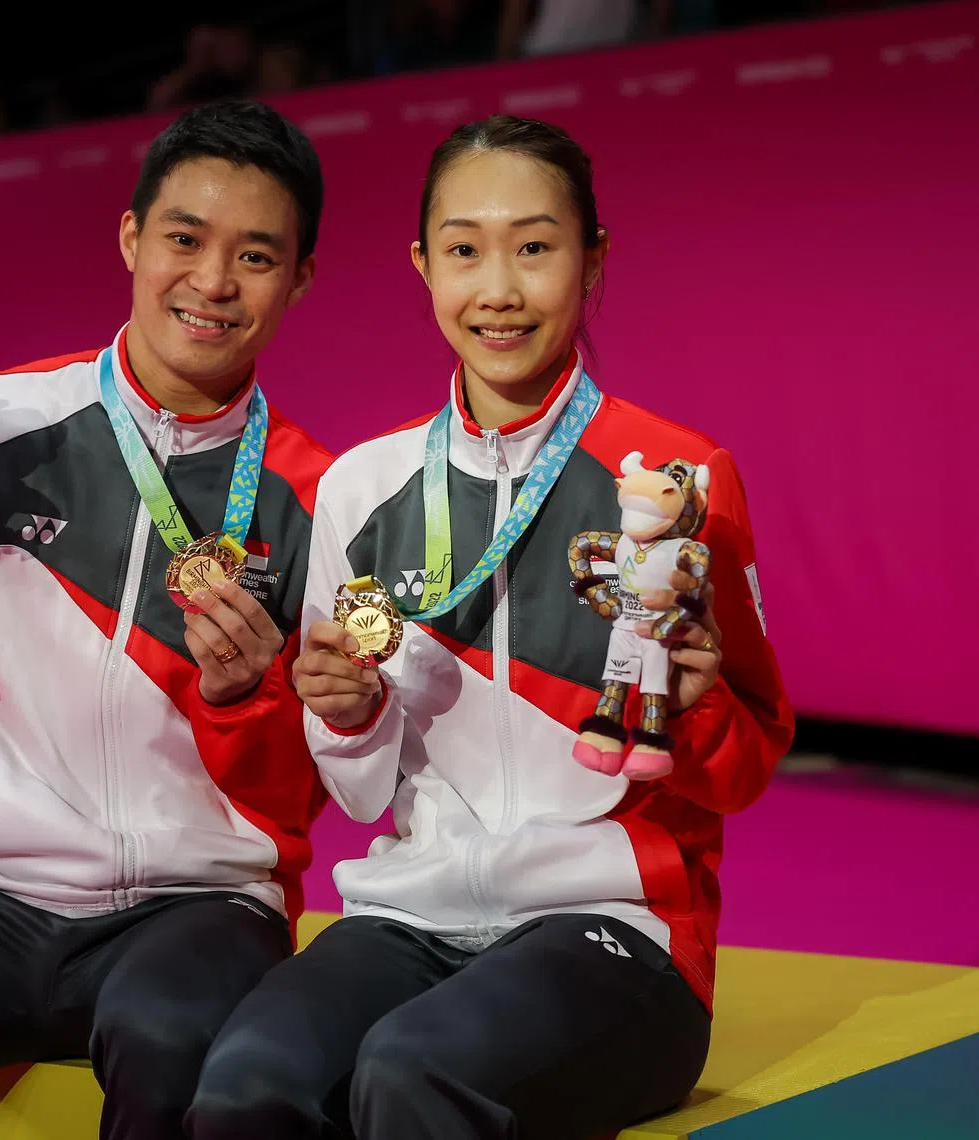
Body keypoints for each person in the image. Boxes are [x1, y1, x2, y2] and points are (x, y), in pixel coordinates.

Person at [187, 114, 795, 1140]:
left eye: (535, 247)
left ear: (591, 261)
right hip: (410, 913)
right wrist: (346, 713)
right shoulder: (363, 490)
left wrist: (693, 712)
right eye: (465, 250)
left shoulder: (678, 481)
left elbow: (744, 769)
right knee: (244, 1085)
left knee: (412, 1074)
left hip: (617, 932)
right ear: (424, 266)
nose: (499, 289)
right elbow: (359, 788)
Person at [0, 99, 333, 1140]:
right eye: (185, 240)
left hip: (199, 909)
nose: (210, 282)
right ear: (131, 239)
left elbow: (339, 780)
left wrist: (252, 695)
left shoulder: (326, 503)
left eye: (254, 256)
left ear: (299, 280)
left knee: (175, 1042)